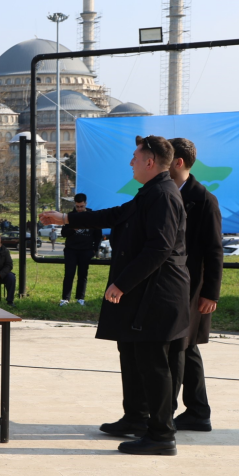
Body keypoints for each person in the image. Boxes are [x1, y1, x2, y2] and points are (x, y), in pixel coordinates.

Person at [40, 135, 190, 456]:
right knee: (136, 358)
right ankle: (136, 418)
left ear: (150, 161)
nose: (131, 161)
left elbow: (159, 248)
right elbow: (113, 216)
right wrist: (66, 218)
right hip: (146, 295)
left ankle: (161, 434)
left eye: (136, 156)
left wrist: (122, 283)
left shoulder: (163, 195)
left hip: (158, 296)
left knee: (154, 364)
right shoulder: (151, 192)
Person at [167, 138, 224, 434]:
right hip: (173, 284)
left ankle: (172, 413)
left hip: (192, 286)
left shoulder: (203, 199)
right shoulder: (166, 193)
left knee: (182, 346)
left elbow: (214, 250)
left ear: (178, 162)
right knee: (185, 348)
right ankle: (198, 411)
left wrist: (210, 293)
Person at [60, 193, 102, 306]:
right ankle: (65, 298)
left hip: (86, 250)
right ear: (75, 204)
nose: (79, 209)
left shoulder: (92, 215)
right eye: (77, 206)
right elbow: (63, 233)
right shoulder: (70, 216)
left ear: (85, 204)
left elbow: (98, 235)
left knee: (82, 275)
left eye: (81, 206)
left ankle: (80, 298)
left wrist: (95, 249)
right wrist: (73, 229)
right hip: (71, 250)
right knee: (69, 274)